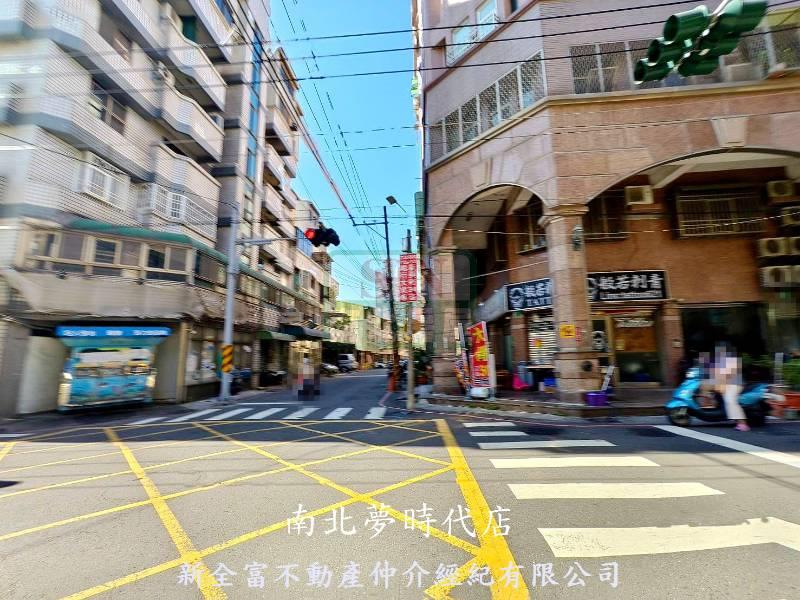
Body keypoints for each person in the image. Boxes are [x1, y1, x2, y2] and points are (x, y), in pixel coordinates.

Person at [713, 343, 749, 432]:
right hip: (726, 385)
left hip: (735, 384)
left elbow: (728, 375)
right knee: (726, 400)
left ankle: (743, 423)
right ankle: (737, 422)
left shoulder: (732, 361)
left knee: (730, 400)